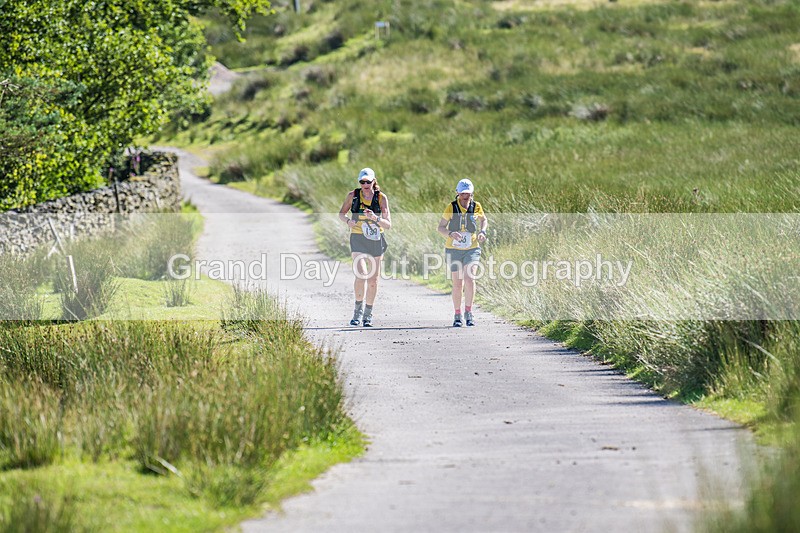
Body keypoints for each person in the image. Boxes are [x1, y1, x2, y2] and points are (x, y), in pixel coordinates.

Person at [338, 168, 392, 327]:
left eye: (368, 181)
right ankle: (357, 312)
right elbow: (341, 213)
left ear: (374, 181)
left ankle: (368, 315)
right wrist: (348, 222)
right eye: (362, 182)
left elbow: (388, 224)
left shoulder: (381, 198)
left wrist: (375, 218)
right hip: (358, 237)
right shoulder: (353, 196)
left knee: (373, 280)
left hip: (376, 238)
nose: (365, 184)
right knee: (361, 274)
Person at [437, 178, 488, 327]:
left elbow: (484, 220)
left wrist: (483, 231)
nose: (465, 197)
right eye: (463, 194)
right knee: (458, 283)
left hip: (472, 248)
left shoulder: (476, 206)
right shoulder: (451, 207)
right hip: (453, 249)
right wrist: (451, 233)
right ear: (457, 193)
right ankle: (457, 314)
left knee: (470, 278)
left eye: (468, 194)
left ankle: (469, 312)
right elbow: (440, 228)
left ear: (472, 193)